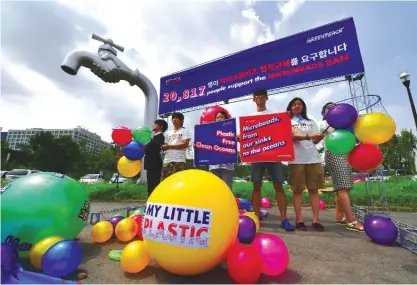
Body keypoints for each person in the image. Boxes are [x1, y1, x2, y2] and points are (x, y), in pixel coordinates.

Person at [239, 88, 294, 231]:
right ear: (253, 99)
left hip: (274, 155)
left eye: (262, 96)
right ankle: (256, 218)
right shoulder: (249, 117)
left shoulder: (275, 114)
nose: (259, 98)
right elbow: (245, 135)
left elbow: (282, 131)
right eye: (257, 96)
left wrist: (288, 133)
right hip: (257, 157)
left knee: (278, 186)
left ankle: (284, 219)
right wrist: (241, 138)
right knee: (256, 186)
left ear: (266, 98)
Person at [319, 102, 364, 232]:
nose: (332, 109)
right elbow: (332, 132)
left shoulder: (346, 124)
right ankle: (351, 221)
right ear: (324, 112)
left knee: (344, 187)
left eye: (334, 107)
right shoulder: (325, 122)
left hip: (345, 153)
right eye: (328, 108)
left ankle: (340, 216)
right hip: (334, 153)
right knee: (343, 187)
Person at [287, 97, 325, 231]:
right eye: (294, 104)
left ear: (303, 107)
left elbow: (315, 140)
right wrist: (308, 136)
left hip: (313, 158)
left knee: (314, 190)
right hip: (296, 159)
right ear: (290, 107)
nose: (297, 106)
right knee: (297, 191)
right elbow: (290, 138)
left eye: (300, 104)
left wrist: (319, 137)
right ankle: (299, 219)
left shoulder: (310, 120)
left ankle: (316, 220)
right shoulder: (287, 122)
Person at [161, 112, 191, 180]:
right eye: (173, 118)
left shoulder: (185, 131)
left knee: (178, 182)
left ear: (181, 120)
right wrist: (164, 147)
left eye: (176, 118)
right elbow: (166, 145)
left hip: (179, 160)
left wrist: (169, 146)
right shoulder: (167, 133)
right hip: (167, 160)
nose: (174, 119)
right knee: (165, 182)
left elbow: (185, 145)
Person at [208, 111, 235, 190]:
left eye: (221, 117)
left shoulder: (231, 130)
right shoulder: (210, 131)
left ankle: (227, 202)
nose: (219, 119)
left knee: (226, 188)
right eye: (217, 118)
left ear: (226, 119)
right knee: (215, 189)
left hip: (227, 166)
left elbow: (233, 143)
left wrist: (236, 138)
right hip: (213, 165)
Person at [144, 119, 168, 197]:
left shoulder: (160, 137)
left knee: (154, 185)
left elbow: (149, 148)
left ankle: (153, 201)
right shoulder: (154, 137)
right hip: (151, 164)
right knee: (151, 184)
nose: (153, 125)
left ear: (161, 127)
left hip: (154, 164)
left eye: (155, 124)